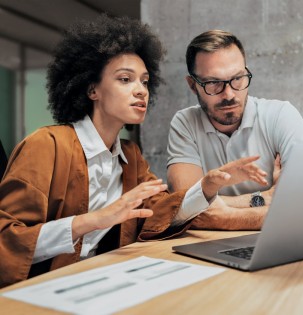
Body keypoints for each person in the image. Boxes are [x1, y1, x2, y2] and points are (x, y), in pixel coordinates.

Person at [0, 17, 268, 288]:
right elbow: (7, 241)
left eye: (144, 81)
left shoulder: (130, 156)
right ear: (92, 88)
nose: (141, 91)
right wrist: (90, 221)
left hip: (105, 280)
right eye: (125, 79)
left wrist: (207, 186)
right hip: (43, 289)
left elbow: (159, 213)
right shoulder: (46, 145)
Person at [167, 30, 303, 230]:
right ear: (193, 85)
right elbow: (183, 208)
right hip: (207, 245)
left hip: (273, 241)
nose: (229, 94)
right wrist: (267, 197)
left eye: (237, 79)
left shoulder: (281, 116)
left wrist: (225, 216)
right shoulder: (185, 123)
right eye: (213, 83)